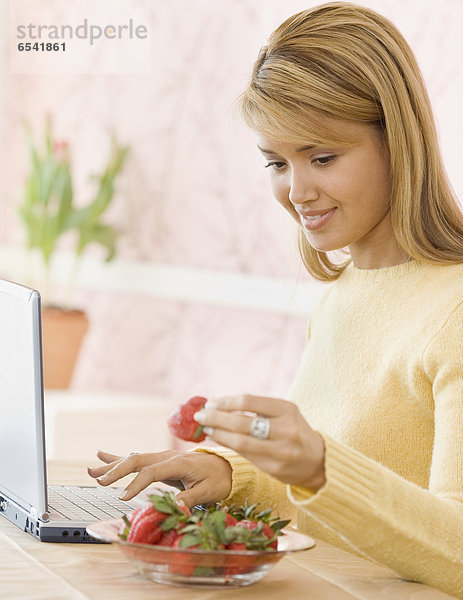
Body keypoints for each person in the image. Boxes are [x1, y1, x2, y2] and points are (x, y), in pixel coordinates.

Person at [88, 2, 463, 597]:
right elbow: (338, 512)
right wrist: (227, 471)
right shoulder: (346, 294)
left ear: (399, 141)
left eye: (322, 158)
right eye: (275, 162)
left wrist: (316, 463)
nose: (296, 191)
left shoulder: (454, 310)